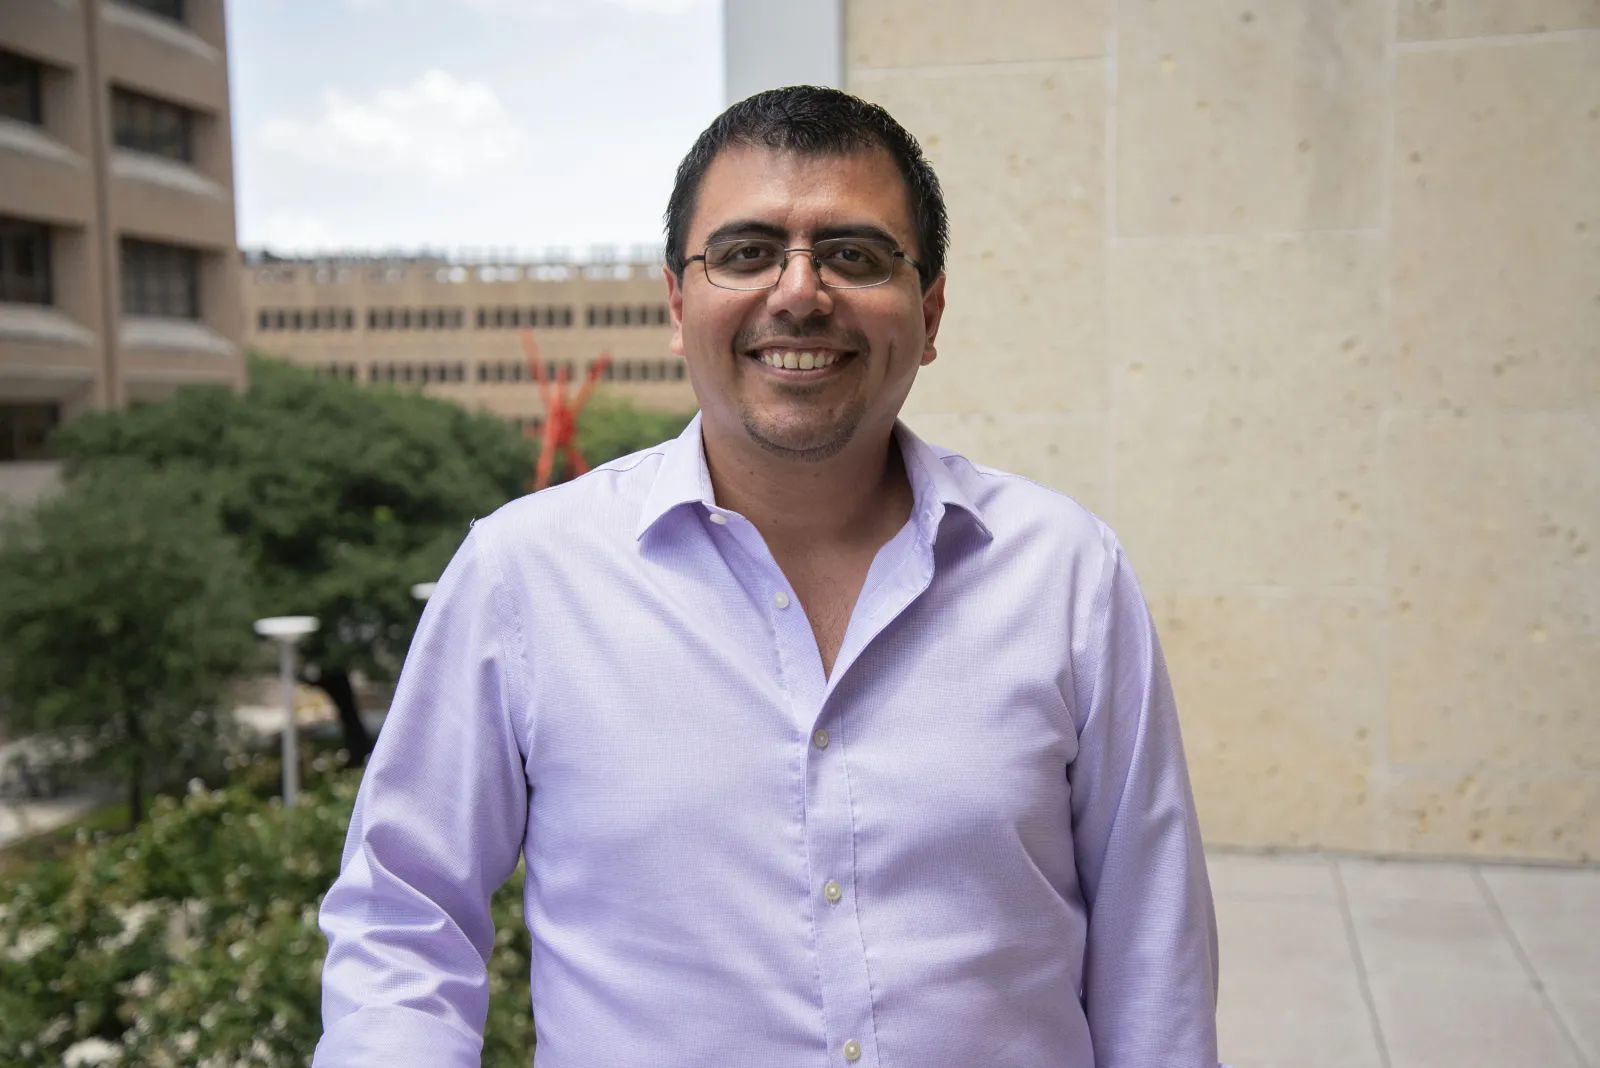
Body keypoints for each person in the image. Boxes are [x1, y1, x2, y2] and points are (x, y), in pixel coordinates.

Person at [314, 85, 1224, 1068]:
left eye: (855, 256)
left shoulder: (1065, 574)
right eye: (746, 254)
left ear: (929, 313)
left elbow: (1150, 950)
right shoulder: (523, 577)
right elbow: (402, 918)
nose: (799, 293)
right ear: (676, 303)